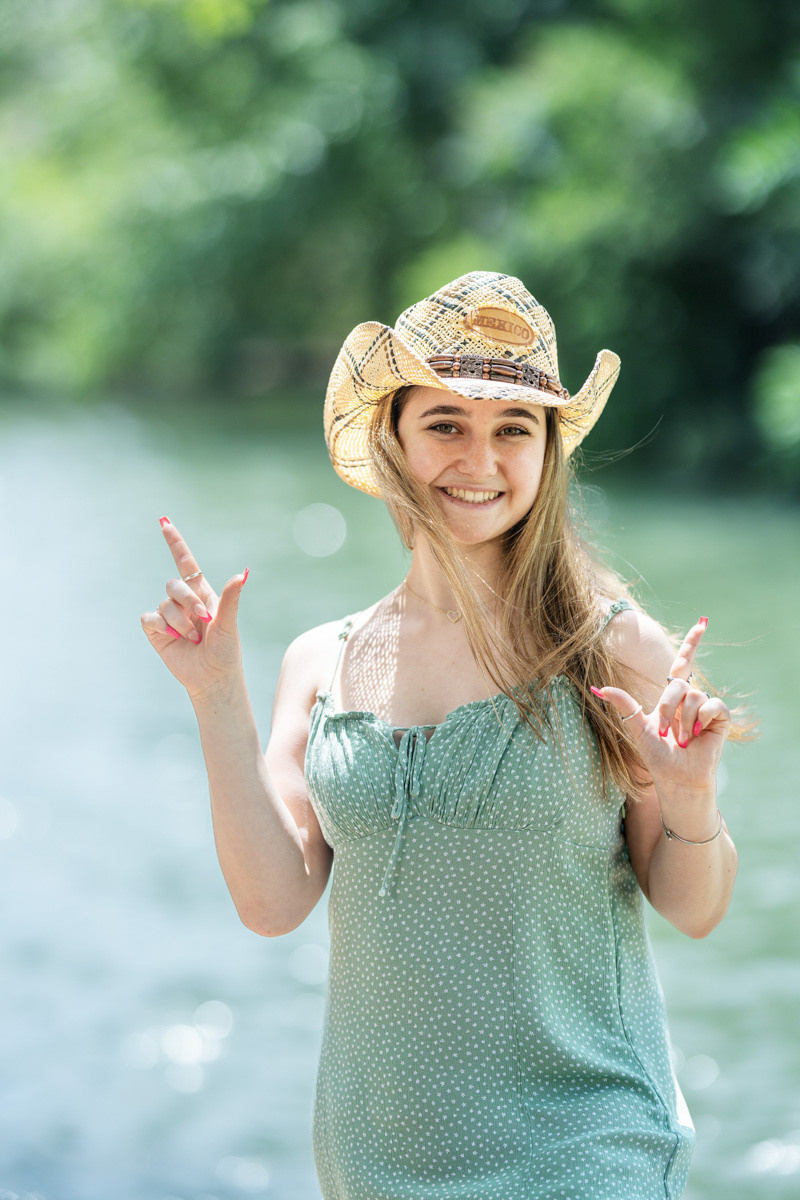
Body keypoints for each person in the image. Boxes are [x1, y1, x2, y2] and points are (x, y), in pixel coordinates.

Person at [141, 272, 740, 1200]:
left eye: (513, 429)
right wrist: (216, 693)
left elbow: (694, 908)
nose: (480, 458)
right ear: (394, 441)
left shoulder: (613, 646)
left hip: (587, 1149)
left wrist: (694, 797)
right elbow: (271, 902)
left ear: (546, 453)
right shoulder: (322, 660)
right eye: (446, 424)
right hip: (376, 1162)